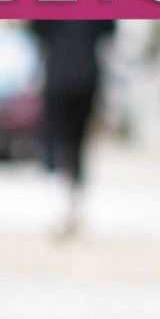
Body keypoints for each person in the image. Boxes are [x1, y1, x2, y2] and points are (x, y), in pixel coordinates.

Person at [30, 17, 117, 239]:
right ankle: (71, 202)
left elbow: (36, 30)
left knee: (54, 139)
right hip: (87, 74)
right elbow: (109, 32)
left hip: (57, 73)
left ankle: (58, 203)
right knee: (77, 142)